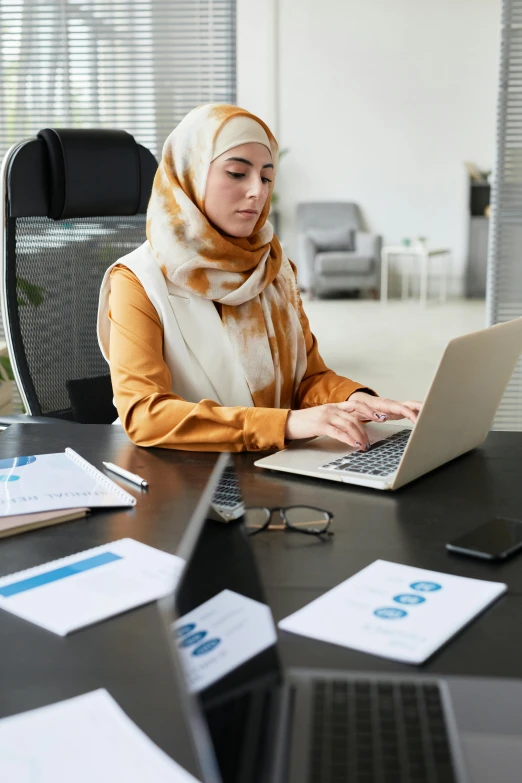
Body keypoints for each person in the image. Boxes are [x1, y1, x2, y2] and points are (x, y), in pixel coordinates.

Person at [97, 104, 420, 452]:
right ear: (190, 174)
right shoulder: (137, 280)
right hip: (180, 477)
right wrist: (284, 423)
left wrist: (355, 400)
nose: (258, 191)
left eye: (266, 177)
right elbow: (144, 414)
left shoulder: (274, 268)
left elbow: (308, 379)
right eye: (237, 173)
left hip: (269, 467)